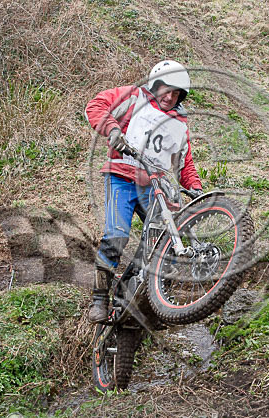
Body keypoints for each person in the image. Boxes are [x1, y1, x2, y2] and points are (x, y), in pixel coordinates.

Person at [84, 60, 204, 323]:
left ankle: (138, 291)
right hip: (122, 179)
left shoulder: (179, 121)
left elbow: (184, 162)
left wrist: (195, 187)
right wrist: (113, 130)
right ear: (155, 85)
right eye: (166, 90)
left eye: (176, 94)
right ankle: (99, 298)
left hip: (155, 187)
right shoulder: (134, 97)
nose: (169, 97)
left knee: (164, 242)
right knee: (116, 235)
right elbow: (95, 106)